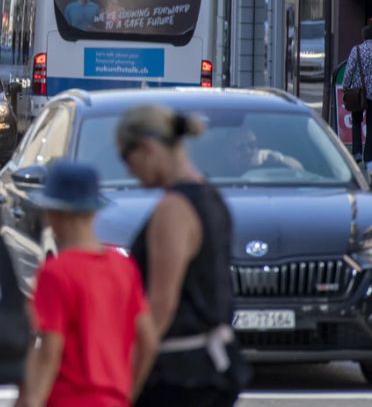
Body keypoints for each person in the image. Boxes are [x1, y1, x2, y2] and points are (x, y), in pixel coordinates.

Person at [116, 105, 248, 407]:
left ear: (148, 148)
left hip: (177, 375)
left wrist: (127, 386)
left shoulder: (173, 210)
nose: (128, 170)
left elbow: (161, 307)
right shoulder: (210, 196)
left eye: (126, 157)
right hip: (212, 365)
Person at [19, 161, 157, 407]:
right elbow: (148, 340)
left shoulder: (56, 272)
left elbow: (50, 352)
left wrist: (30, 401)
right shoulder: (123, 267)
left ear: (55, 213)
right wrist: (126, 394)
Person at [217, 128, 303, 177]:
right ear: (227, 152)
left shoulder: (268, 166)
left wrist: (278, 158)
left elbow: (300, 170)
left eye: (252, 145)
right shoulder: (217, 176)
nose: (248, 151)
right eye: (240, 147)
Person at [343, 24, 372, 163]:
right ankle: (369, 156)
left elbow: (349, 70)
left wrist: (346, 86)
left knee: (356, 122)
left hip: (358, 93)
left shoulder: (357, 50)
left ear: (363, 36)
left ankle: (357, 153)